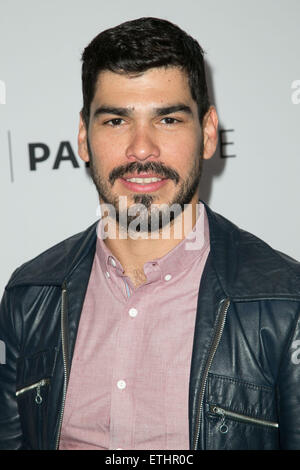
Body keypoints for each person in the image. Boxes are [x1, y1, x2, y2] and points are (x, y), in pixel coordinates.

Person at [1, 17, 300, 451]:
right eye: (117, 121)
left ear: (209, 133)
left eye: (169, 120)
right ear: (84, 137)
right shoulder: (30, 295)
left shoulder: (286, 302)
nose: (142, 149)